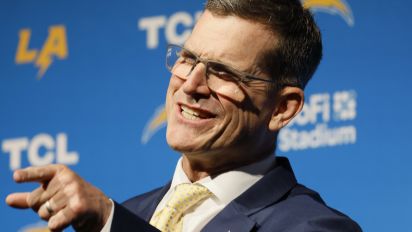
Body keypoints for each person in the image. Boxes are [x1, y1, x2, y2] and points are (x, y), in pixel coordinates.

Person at [6, 0, 362, 231]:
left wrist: (111, 222)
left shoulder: (314, 226)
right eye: (188, 59)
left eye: (223, 72)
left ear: (282, 108)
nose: (190, 85)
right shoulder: (135, 211)